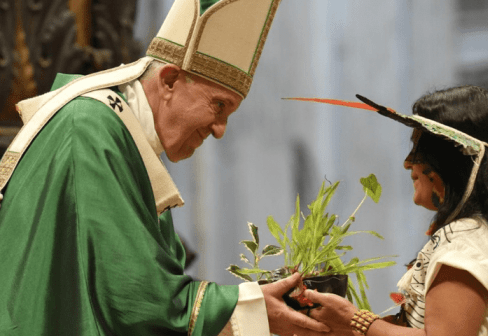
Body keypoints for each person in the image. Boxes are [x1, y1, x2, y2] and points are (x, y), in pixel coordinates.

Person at [0, 0, 332, 335]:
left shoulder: (128, 141)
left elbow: (159, 293)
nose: (220, 129)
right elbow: (139, 302)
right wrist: (250, 306)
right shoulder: (91, 129)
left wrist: (255, 305)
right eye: (219, 105)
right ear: (170, 80)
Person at [297, 85, 488, 335]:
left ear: (450, 161)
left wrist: (356, 321)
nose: (407, 162)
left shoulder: (467, 244)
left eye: (418, 149)